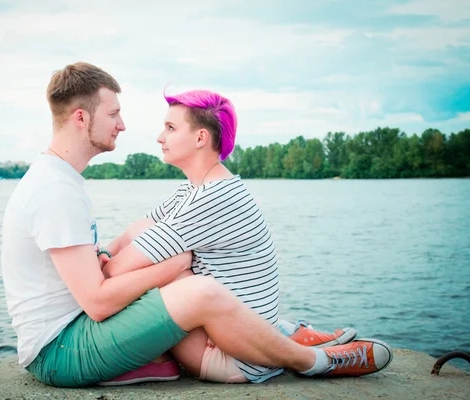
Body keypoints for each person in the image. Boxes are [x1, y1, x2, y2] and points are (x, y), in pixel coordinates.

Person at [1, 61, 393, 388]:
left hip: (77, 332)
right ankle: (312, 360)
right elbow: (99, 300)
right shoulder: (56, 190)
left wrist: (116, 258)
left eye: (169, 128)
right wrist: (171, 266)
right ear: (81, 117)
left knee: (186, 281)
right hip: (61, 349)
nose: (123, 125)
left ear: (201, 137)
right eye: (114, 113)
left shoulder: (63, 182)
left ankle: (284, 332)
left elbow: (131, 241)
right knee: (195, 286)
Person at [97, 89, 359, 384]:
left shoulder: (212, 199)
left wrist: (107, 264)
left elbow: (115, 271)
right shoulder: (197, 188)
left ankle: (294, 345)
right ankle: (288, 332)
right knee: (168, 267)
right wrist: (107, 251)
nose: (160, 137)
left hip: (236, 358)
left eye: (170, 128)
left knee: (149, 278)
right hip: (236, 334)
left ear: (200, 138)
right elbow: (133, 232)